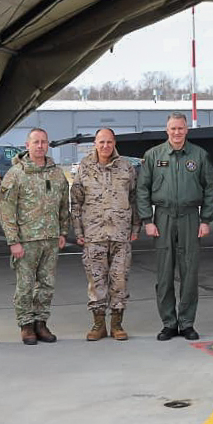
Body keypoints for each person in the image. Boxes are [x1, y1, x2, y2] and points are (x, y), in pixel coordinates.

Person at [136, 113, 213, 340]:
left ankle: (187, 322)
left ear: (186, 130)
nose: (177, 132)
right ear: (166, 130)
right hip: (163, 218)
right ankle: (169, 323)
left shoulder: (199, 155)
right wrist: (147, 220)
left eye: (181, 128)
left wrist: (206, 219)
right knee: (164, 274)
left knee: (189, 272)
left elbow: (209, 188)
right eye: (173, 128)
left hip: (190, 217)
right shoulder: (153, 156)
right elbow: (143, 189)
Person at [0, 127, 71, 345]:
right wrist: (13, 241)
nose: (40, 146)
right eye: (36, 142)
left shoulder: (57, 173)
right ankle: (26, 325)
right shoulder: (16, 174)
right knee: (25, 286)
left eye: (43, 142)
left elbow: (62, 205)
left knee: (47, 284)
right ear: (26, 145)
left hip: (50, 238)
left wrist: (63, 231)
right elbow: (6, 210)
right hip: (26, 240)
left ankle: (41, 323)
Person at [70, 128, 139, 341]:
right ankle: (98, 324)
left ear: (114, 142)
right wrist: (78, 231)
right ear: (95, 143)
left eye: (109, 142)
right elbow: (76, 202)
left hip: (120, 235)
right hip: (94, 235)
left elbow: (134, 199)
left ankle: (117, 324)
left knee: (119, 281)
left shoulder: (126, 167)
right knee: (96, 282)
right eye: (101, 142)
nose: (105, 146)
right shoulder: (84, 167)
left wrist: (135, 228)